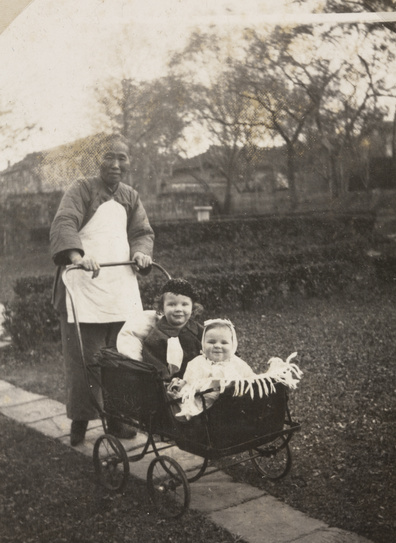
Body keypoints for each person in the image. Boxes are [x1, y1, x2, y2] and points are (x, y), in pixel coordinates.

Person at [50, 133, 154, 446]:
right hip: (83, 288)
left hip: (120, 288)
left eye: (123, 157)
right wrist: (77, 256)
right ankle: (80, 421)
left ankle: (118, 420)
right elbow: (64, 222)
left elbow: (142, 232)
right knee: (84, 360)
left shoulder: (130, 196)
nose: (117, 164)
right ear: (98, 160)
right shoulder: (81, 189)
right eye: (110, 156)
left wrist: (140, 252)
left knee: (122, 358)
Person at [171, 318, 254, 420]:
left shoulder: (238, 363)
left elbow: (252, 380)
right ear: (203, 344)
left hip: (236, 407)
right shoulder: (196, 363)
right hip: (204, 409)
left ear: (233, 345)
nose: (217, 346)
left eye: (224, 343)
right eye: (211, 342)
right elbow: (190, 384)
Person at [134, 278, 203, 380]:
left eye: (184, 304)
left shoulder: (197, 328)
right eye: (171, 304)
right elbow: (156, 367)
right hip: (175, 385)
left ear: (192, 308)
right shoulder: (157, 337)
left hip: (202, 378)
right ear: (162, 308)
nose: (178, 309)